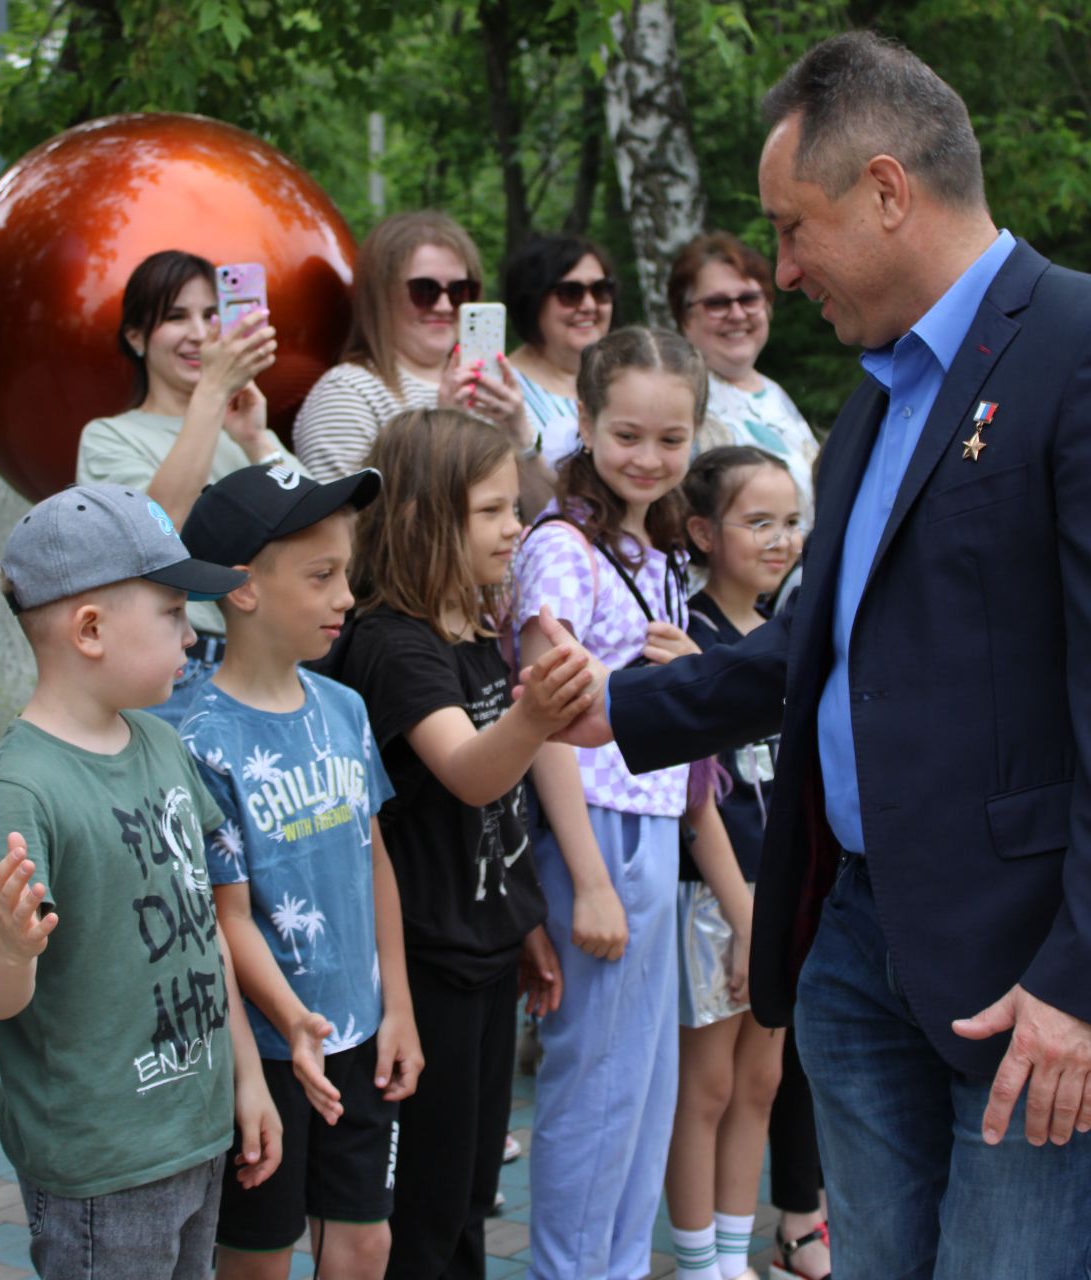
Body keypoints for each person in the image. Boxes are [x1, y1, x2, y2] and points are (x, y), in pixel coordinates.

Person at [542, 32, 1091, 1278]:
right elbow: (834, 639)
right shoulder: (879, 388)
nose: (781, 267)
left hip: (1030, 965)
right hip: (861, 940)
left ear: (885, 190)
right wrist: (630, 704)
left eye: (792, 227)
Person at [0, 484, 282, 1279]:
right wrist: (10, 944)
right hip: (103, 1162)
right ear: (91, 630)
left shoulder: (159, 744)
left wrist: (246, 1075)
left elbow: (202, 932)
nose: (192, 630)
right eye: (173, 611)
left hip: (195, 1130)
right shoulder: (22, 788)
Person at [331, 408, 592, 1278]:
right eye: (493, 511)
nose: (517, 528)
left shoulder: (473, 628)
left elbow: (495, 816)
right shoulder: (391, 643)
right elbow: (473, 772)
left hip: (480, 951)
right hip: (423, 968)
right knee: (426, 1208)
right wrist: (538, 712)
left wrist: (521, 921)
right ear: (419, 518)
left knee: (471, 1194)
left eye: (515, 508)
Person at [175, 464, 422, 1280]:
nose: (346, 597)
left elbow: (373, 857)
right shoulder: (195, 738)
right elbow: (224, 915)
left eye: (344, 572)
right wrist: (291, 1024)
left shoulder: (343, 707)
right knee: (260, 1255)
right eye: (321, 576)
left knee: (366, 1241)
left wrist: (398, 1009)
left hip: (359, 1031)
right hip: (271, 1051)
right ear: (242, 590)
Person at [513, 326, 705, 1280]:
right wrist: (587, 879)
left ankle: (618, 1266)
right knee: (597, 1085)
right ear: (583, 423)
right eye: (627, 434)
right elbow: (542, 719)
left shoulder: (649, 539)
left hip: (651, 824)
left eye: (672, 441)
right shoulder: (561, 549)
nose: (649, 458)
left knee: (645, 1086)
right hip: (599, 833)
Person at [663, 446, 810, 1280]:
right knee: (708, 1086)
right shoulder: (688, 635)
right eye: (758, 521)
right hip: (714, 900)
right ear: (701, 531)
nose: (779, 539)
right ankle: (694, 1264)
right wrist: (747, 913)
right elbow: (696, 801)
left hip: (784, 893)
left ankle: (731, 1255)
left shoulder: (791, 633)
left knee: (762, 1081)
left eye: (790, 521)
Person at [75, 249, 292, 722]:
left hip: (276, 669)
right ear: (136, 336)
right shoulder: (109, 437)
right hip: (181, 676)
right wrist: (212, 393)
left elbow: (323, 537)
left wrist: (257, 440)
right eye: (176, 316)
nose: (199, 333)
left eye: (212, 315)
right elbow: (153, 538)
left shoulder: (243, 429)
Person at [293, 211, 531, 481]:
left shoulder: (489, 390)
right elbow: (342, 522)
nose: (444, 306)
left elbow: (546, 512)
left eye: (459, 291)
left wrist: (521, 434)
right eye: (425, 290)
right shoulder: (348, 393)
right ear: (381, 295)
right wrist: (445, 428)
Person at [669, 232, 820, 525]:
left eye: (749, 299)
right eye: (717, 303)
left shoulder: (773, 393)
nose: (737, 314)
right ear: (685, 318)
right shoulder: (679, 396)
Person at [502, 233, 619, 468]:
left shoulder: (628, 376)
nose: (589, 306)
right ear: (532, 302)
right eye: (570, 293)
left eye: (601, 290)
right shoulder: (502, 390)